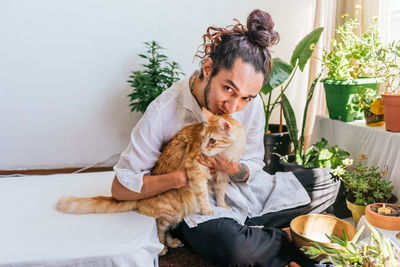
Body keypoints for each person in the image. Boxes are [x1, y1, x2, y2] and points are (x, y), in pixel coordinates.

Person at [111, 9, 339, 266]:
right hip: (197, 204)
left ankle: (260, 233)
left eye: (246, 97)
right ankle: (291, 235)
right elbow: (120, 187)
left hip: (244, 192)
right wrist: (179, 178)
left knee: (329, 182)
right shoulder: (163, 112)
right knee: (236, 250)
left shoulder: (249, 105)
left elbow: (254, 164)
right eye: (228, 89)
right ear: (208, 68)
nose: (233, 107)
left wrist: (236, 169)